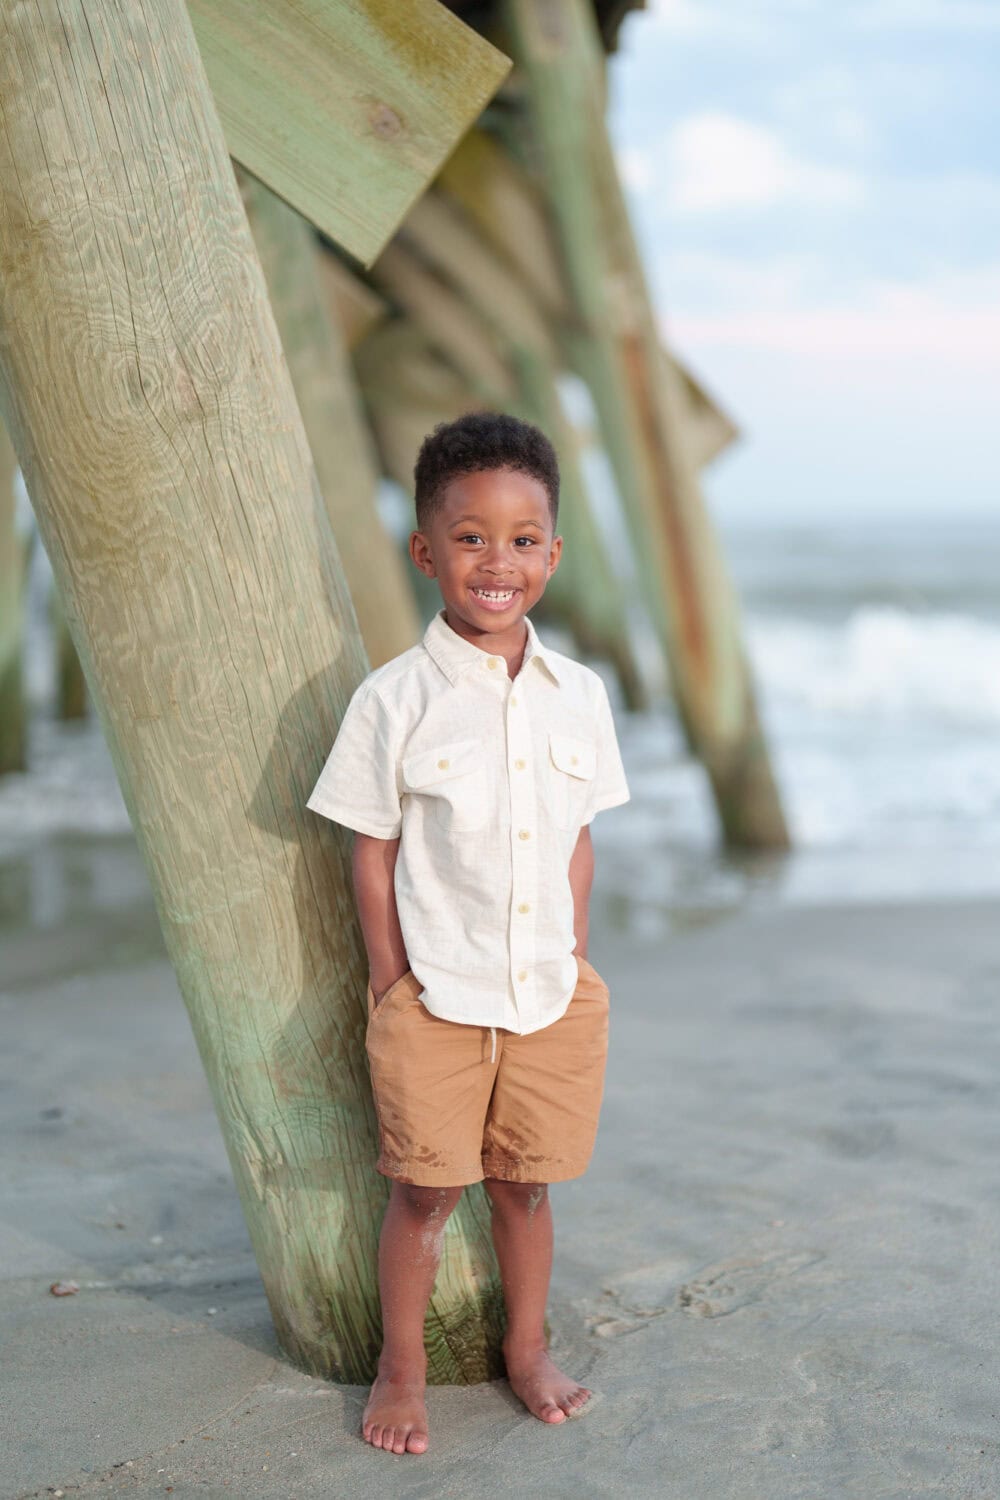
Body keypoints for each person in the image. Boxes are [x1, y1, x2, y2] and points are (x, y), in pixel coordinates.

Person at [306, 411, 630, 1455]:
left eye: (523, 538)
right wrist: (390, 982)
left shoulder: (579, 696)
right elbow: (373, 851)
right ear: (426, 550)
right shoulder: (392, 701)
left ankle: (526, 1349)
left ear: (554, 552)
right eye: (471, 536)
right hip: (434, 996)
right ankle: (401, 1367)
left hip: (545, 991)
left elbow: (576, 839)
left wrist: (573, 952)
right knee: (426, 1188)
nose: (499, 561)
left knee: (525, 1183)